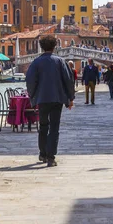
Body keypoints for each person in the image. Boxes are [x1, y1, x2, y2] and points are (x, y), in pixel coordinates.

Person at [26, 35, 75, 167]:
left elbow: (30, 81)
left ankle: (42, 153)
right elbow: (68, 80)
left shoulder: (35, 63)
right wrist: (70, 98)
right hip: (57, 99)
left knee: (43, 126)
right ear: (54, 47)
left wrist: (33, 97)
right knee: (54, 127)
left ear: (42, 47)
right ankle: (51, 157)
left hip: (42, 99)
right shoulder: (60, 61)